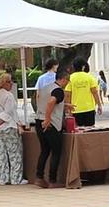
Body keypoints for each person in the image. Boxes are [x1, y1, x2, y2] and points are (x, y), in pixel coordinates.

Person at [0, 71, 24, 186]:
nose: (11, 84)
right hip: (8, 127)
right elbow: (8, 112)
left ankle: (3, 178)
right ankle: (16, 179)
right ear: (3, 83)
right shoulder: (8, 96)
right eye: (9, 81)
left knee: (0, 154)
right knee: (14, 154)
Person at [33, 59, 67, 187]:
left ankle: (39, 176)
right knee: (56, 151)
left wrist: (65, 105)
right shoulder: (58, 90)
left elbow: (43, 101)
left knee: (44, 150)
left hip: (38, 120)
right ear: (63, 79)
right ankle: (53, 180)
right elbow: (51, 102)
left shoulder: (45, 87)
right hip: (50, 124)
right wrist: (48, 119)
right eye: (66, 81)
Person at [64, 58, 102, 128]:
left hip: (75, 109)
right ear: (83, 67)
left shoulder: (70, 78)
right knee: (90, 130)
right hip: (89, 108)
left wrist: (68, 109)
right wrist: (99, 105)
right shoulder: (90, 77)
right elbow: (95, 92)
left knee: (78, 130)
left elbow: (67, 95)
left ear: (73, 66)